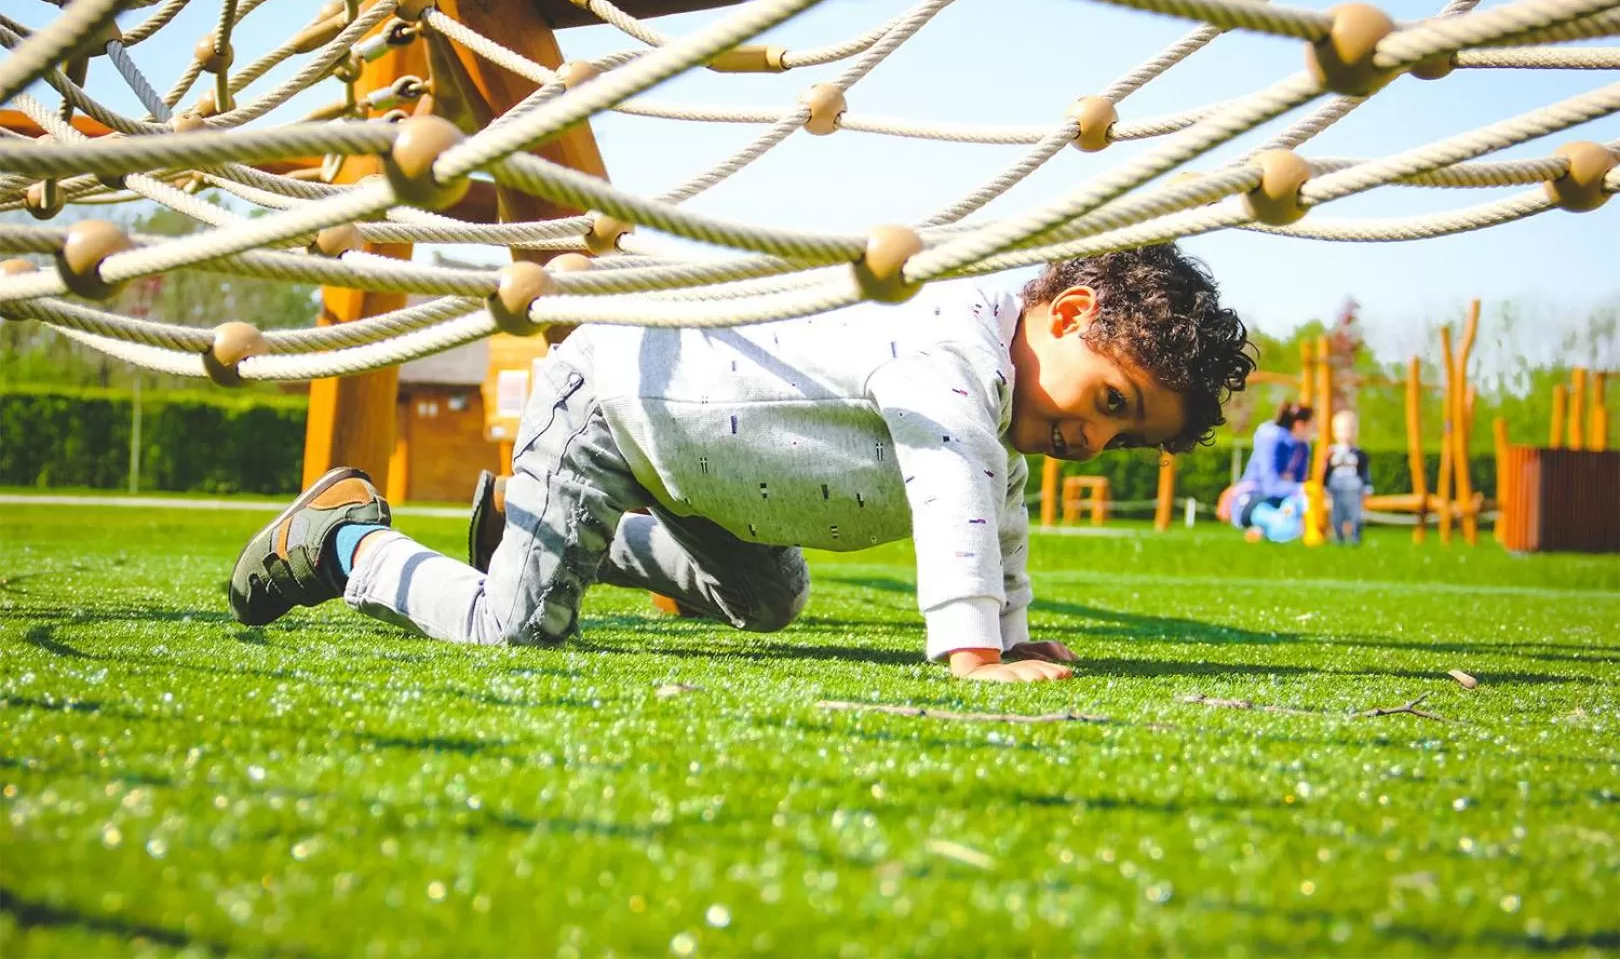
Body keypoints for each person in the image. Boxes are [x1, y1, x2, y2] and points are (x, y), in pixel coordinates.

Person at [227, 246, 1254, 682]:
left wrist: (1023, 635)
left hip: (707, 477)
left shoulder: (1006, 407)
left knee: (771, 601)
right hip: (617, 409)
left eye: (1126, 439)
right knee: (517, 632)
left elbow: (1002, 513)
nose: (1092, 440)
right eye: (1109, 404)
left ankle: (517, 529)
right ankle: (346, 541)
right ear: (1065, 316)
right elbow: (952, 497)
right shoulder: (955, 351)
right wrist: (976, 655)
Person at [1226, 402, 1314, 542]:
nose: (1314, 430)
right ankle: (1270, 529)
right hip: (1253, 501)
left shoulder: (1302, 448)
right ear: (1299, 425)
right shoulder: (1272, 442)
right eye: (1312, 425)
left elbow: (1297, 481)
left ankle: (1263, 531)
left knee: (1294, 506)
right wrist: (1298, 487)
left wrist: (1296, 487)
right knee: (1281, 520)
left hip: (1281, 502)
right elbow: (1271, 486)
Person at [1322, 409, 1372, 545]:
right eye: (1342, 429)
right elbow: (1326, 471)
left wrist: (1367, 488)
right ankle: (1339, 539)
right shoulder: (1331, 453)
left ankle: (1356, 538)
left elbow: (1364, 472)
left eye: (1350, 429)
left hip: (1353, 491)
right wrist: (1324, 487)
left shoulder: (1360, 454)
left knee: (1355, 516)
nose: (1346, 433)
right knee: (1337, 517)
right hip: (1337, 490)